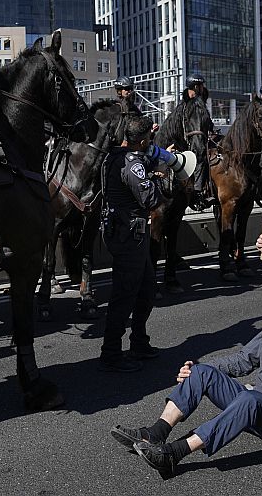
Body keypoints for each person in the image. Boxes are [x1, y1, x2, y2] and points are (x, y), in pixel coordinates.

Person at [110, 233, 262, 477]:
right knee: (203, 373)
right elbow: (240, 361)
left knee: (250, 399)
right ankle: (155, 433)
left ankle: (174, 454)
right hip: (259, 414)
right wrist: (195, 371)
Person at [99, 115, 164, 372]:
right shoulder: (131, 164)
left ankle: (138, 342)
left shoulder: (115, 155)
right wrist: (161, 177)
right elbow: (151, 199)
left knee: (146, 288)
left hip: (126, 233)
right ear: (143, 140)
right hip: (130, 236)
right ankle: (111, 353)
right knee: (124, 295)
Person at [176, 75, 213, 209]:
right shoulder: (185, 104)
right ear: (196, 87)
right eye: (200, 86)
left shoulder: (202, 103)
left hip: (201, 138)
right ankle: (196, 192)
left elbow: (206, 121)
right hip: (185, 140)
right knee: (199, 160)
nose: (202, 88)